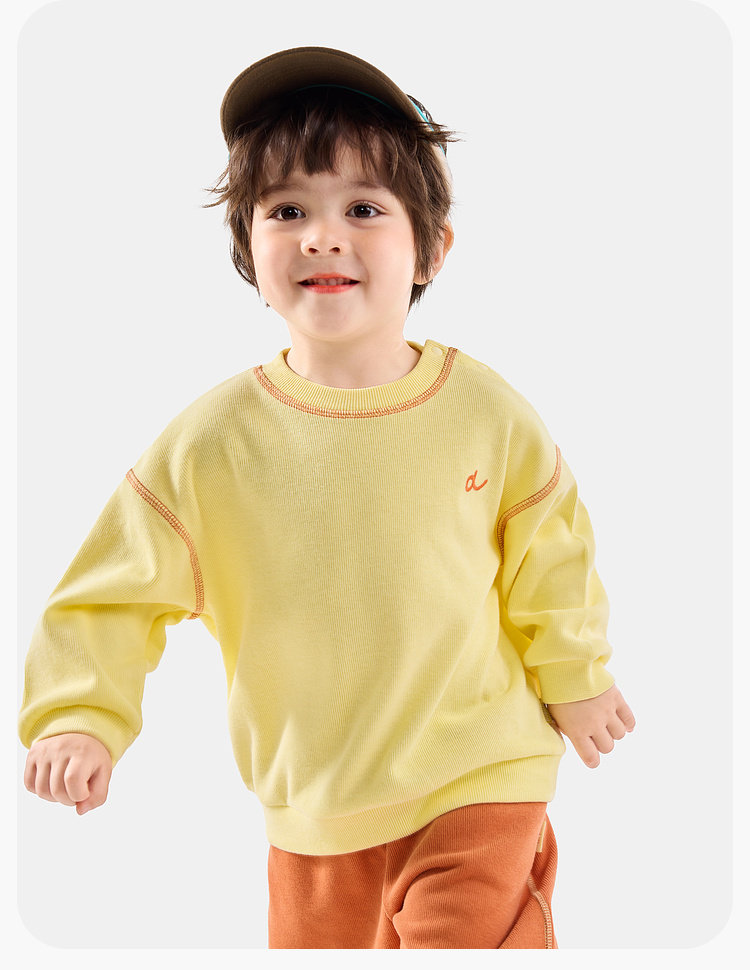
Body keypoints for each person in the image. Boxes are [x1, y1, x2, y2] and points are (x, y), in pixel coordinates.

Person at [18, 46, 635, 949]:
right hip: (310, 815)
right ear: (248, 249)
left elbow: (552, 552)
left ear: (431, 247)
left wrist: (575, 678)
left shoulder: (486, 412)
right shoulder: (210, 445)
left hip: (480, 774)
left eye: (364, 208)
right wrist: (79, 716)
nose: (321, 235)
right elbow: (111, 593)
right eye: (287, 211)